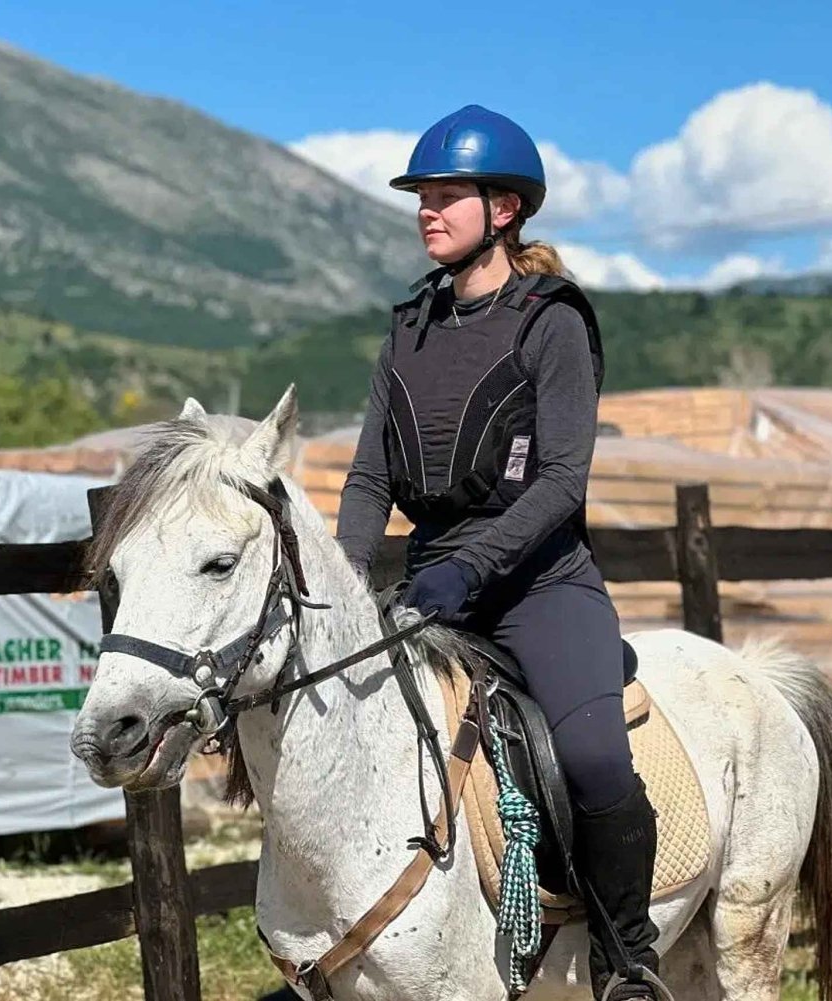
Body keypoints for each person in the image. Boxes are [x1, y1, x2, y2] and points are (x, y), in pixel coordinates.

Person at [335, 104, 664, 1000]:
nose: (426, 210)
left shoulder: (552, 322)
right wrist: (343, 584)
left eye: (446, 194)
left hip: (537, 582)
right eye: (421, 196)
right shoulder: (408, 326)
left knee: (595, 758)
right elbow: (369, 480)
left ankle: (627, 957)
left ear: (506, 209)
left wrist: (471, 569)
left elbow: (563, 480)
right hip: (429, 579)